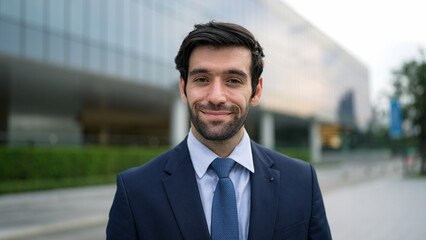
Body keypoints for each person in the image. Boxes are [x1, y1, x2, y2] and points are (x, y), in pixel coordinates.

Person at [106, 21, 332, 240]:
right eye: (202, 79)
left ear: (256, 91)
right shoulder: (135, 191)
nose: (216, 97)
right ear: (184, 88)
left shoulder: (302, 182)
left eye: (233, 80)